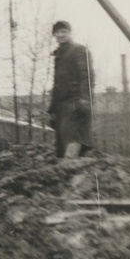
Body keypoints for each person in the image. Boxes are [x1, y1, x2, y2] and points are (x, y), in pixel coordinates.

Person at [48, 21, 95, 158]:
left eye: (64, 32)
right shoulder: (58, 54)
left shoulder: (79, 50)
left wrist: (85, 98)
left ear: (69, 33)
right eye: (57, 32)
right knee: (63, 149)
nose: (61, 35)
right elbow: (57, 83)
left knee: (74, 143)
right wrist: (52, 108)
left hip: (76, 103)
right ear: (54, 35)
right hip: (62, 106)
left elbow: (86, 75)